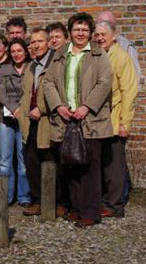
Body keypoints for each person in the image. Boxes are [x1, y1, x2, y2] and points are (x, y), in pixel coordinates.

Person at [43, 12, 113, 227]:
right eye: (76, 29)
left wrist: (87, 107)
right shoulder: (60, 54)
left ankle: (91, 212)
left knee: (90, 167)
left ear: (90, 33)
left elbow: (104, 83)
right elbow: (48, 82)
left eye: (84, 30)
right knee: (70, 164)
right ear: (70, 32)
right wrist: (58, 106)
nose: (80, 33)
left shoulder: (99, 55)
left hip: (91, 119)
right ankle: (75, 208)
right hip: (66, 119)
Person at [18, 28, 66, 217]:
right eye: (32, 42)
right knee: (32, 162)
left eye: (39, 41)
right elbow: (26, 93)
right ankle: (38, 200)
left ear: (48, 43)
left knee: (53, 162)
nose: (35, 45)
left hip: (50, 120)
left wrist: (43, 108)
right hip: (31, 122)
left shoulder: (56, 64)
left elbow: (59, 92)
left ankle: (60, 202)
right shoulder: (31, 66)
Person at [94, 21, 138, 218]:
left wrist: (124, 122)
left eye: (104, 34)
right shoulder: (100, 55)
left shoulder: (120, 57)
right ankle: (105, 200)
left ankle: (115, 205)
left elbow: (129, 91)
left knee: (114, 166)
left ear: (114, 36)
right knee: (104, 163)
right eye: (98, 35)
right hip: (101, 121)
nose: (100, 37)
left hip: (115, 120)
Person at [0, 38, 31, 206]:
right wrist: (14, 109)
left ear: (25, 51)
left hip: (25, 118)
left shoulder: (31, 68)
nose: (16, 54)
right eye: (13, 52)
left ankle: (24, 195)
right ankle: (5, 196)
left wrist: (22, 111)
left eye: (19, 51)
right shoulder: (4, 70)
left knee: (23, 159)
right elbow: (1, 93)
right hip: (7, 118)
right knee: (5, 160)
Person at [96, 11, 141, 79]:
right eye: (99, 24)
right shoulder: (93, 46)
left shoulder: (126, 47)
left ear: (113, 27)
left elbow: (135, 75)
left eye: (105, 24)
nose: (101, 27)